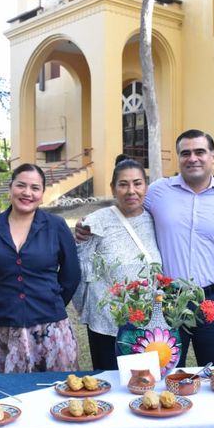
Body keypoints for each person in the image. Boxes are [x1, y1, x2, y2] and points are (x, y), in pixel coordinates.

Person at [76, 129, 214, 366]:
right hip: (167, 301)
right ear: (178, 157)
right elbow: (129, 210)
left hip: (211, 297)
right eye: (185, 153)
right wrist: (84, 228)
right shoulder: (157, 191)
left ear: (213, 157)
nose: (193, 158)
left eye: (200, 152)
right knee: (165, 371)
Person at [0, 163, 81, 373]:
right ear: (10, 188)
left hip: (50, 326)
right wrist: (6, 298)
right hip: (1, 323)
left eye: (35, 188)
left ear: (42, 194)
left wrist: (50, 300)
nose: (27, 193)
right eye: (21, 185)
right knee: (6, 396)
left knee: (56, 393)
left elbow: (71, 275)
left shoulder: (56, 226)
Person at [72, 156, 161, 370]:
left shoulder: (155, 220)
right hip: (106, 325)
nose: (131, 191)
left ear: (146, 187)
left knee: (145, 386)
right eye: (123, 184)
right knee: (109, 385)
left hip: (147, 323)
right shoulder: (94, 223)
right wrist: (89, 309)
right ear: (113, 188)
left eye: (137, 183)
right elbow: (81, 272)